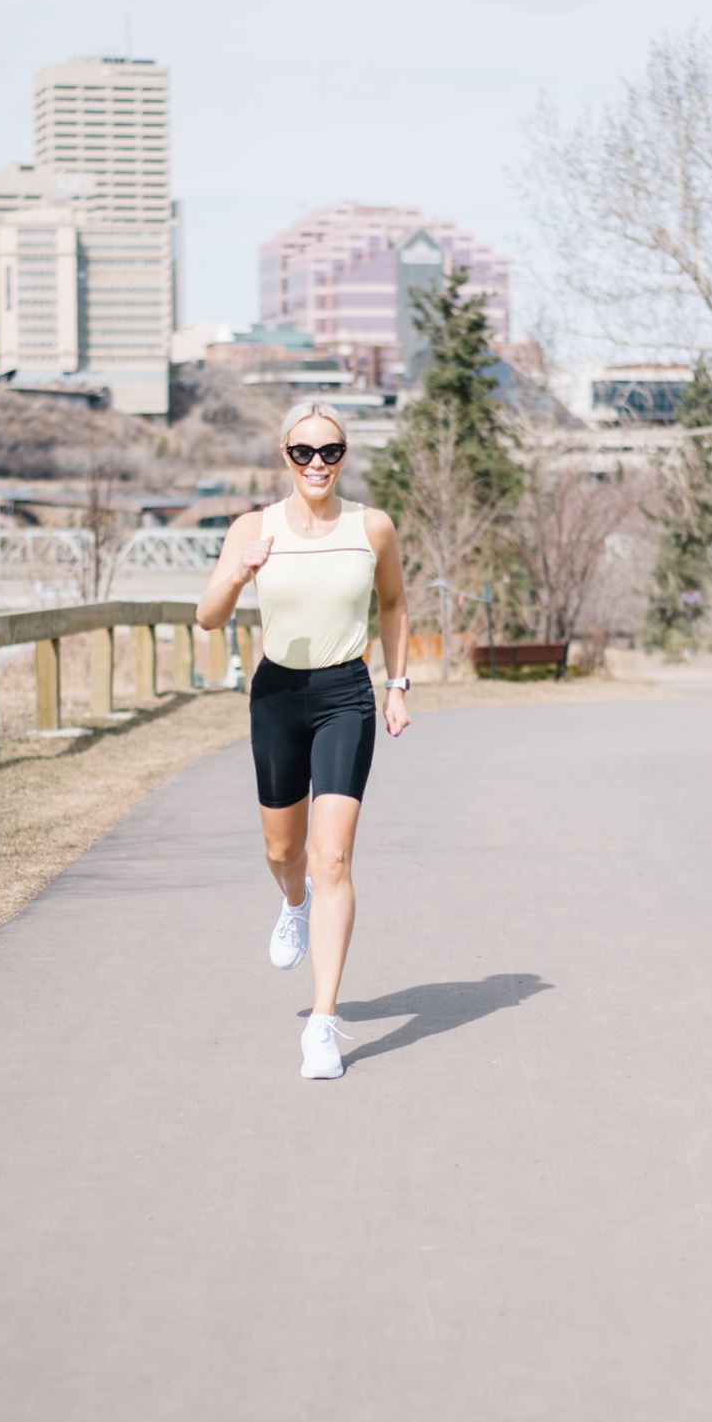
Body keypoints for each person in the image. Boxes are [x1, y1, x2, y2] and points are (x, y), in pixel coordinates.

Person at [197, 401, 411, 1079]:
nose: (316, 464)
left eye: (329, 451)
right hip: (278, 697)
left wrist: (397, 684)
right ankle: (292, 905)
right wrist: (240, 571)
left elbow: (394, 605)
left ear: (344, 454)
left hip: (345, 694)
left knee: (334, 860)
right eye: (302, 452)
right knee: (282, 850)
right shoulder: (251, 529)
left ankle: (323, 1023)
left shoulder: (370, 527)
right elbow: (206, 618)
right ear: (283, 456)